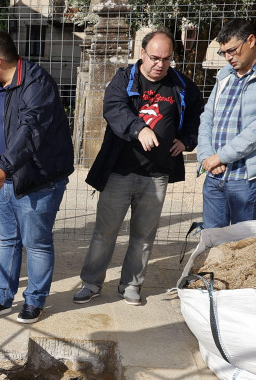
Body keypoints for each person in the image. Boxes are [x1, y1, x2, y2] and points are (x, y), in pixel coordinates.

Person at [74, 29, 204, 307]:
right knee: (105, 233)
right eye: (155, 57)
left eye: (166, 59)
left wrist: (187, 139)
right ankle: (91, 283)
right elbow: (113, 108)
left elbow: (196, 114)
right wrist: (138, 128)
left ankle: (131, 285)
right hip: (119, 171)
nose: (160, 64)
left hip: (156, 173)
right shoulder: (124, 79)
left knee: (143, 235)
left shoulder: (181, 84)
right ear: (142, 53)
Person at [0, 30, 74, 324]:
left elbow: (31, 130)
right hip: (1, 179)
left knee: (36, 242)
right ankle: (2, 298)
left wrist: (3, 165)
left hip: (36, 181)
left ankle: (35, 301)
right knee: (6, 240)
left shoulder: (37, 83)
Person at [197, 18, 256, 229]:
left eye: (232, 50)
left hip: (245, 177)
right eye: (223, 53)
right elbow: (207, 118)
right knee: (211, 240)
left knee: (240, 245)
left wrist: (220, 156)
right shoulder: (225, 75)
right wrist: (206, 156)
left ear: (250, 40)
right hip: (214, 173)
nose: (228, 57)